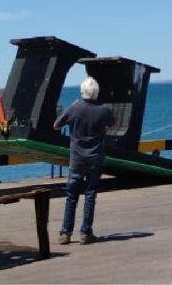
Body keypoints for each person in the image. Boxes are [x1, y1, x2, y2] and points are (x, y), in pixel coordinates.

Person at [53, 77, 116, 245]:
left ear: (83, 92)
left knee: (71, 196)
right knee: (90, 195)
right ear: (96, 93)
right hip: (95, 157)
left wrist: (70, 109)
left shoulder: (75, 108)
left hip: (77, 158)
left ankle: (65, 233)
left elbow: (56, 125)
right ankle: (85, 232)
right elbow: (113, 124)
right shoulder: (103, 110)